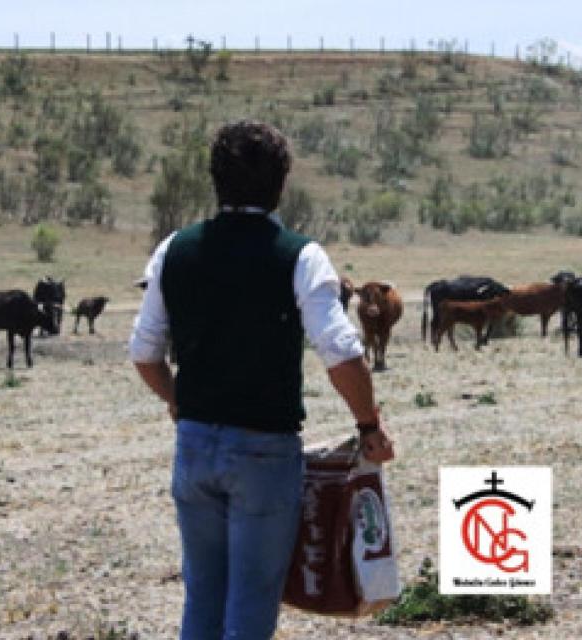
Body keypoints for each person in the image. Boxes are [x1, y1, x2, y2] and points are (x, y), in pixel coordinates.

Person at [129, 120, 394, 640]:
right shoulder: (300, 256)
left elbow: (143, 352)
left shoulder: (173, 250)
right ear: (282, 182)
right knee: (251, 601)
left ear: (216, 180)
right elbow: (341, 353)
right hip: (264, 453)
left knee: (203, 597)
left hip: (195, 447)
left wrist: (179, 400)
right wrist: (368, 425)